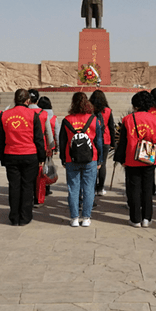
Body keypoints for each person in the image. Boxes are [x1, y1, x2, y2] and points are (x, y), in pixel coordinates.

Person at [114, 91, 156, 228]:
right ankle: (147, 218)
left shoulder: (128, 119)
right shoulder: (155, 119)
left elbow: (122, 141)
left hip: (132, 156)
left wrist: (120, 158)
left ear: (135, 105)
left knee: (134, 188)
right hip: (149, 156)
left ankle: (135, 219)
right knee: (148, 188)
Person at [0, 89, 46, 226]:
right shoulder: (32, 114)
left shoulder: (5, 115)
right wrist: (41, 156)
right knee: (27, 186)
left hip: (11, 154)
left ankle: (14, 216)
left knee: (14, 186)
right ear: (27, 101)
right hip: (29, 154)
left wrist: (1, 157)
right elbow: (38, 138)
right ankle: (25, 216)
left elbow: (1, 138)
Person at [60, 92, 103, 227]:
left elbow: (62, 142)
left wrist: (63, 159)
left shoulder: (66, 120)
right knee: (89, 189)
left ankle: (74, 218)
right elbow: (99, 142)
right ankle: (86, 218)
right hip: (91, 158)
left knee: (73, 188)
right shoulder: (93, 119)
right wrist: (100, 159)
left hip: (71, 158)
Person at [28, 89, 55, 205]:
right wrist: (52, 147)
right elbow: (49, 133)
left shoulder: (22, 112)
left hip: (26, 147)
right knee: (40, 174)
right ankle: (38, 197)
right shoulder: (43, 114)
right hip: (41, 147)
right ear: (37, 100)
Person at [89, 90, 116, 196]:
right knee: (102, 164)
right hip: (105, 139)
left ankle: (92, 186)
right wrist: (113, 143)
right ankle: (100, 188)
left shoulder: (90, 110)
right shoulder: (108, 111)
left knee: (93, 163)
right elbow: (111, 127)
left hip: (92, 139)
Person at [38, 96, 60, 196]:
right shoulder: (54, 118)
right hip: (49, 147)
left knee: (39, 168)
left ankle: (38, 187)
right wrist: (57, 147)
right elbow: (56, 133)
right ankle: (47, 187)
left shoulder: (38, 115)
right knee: (47, 167)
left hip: (38, 145)